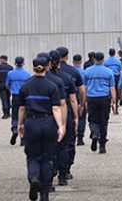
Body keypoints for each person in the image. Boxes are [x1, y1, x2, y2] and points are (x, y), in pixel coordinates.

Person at [18, 56, 65, 201]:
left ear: (33, 68)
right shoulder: (52, 86)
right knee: (47, 158)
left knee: (32, 157)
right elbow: (56, 108)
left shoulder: (26, 86)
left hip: (32, 123)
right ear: (48, 66)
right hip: (48, 122)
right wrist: (61, 126)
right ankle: (45, 192)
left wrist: (20, 124)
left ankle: (33, 178)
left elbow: (21, 108)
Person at [48, 50, 78, 186]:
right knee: (64, 145)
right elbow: (72, 100)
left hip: (47, 114)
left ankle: (50, 171)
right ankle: (63, 174)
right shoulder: (66, 77)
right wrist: (76, 116)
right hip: (64, 113)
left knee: (49, 146)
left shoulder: (45, 79)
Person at [83, 51, 117, 154]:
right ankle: (102, 145)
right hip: (104, 98)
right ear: (103, 59)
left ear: (94, 59)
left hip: (92, 98)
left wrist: (84, 101)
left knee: (93, 119)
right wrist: (114, 102)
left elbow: (84, 88)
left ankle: (94, 133)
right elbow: (112, 88)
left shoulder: (87, 71)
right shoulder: (108, 71)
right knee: (104, 121)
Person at [7, 57, 32, 146]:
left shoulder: (10, 74)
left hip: (15, 95)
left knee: (14, 115)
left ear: (14, 63)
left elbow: (7, 85)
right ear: (24, 63)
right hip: (25, 96)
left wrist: (12, 89)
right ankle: (23, 137)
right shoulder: (27, 74)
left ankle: (14, 129)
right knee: (24, 116)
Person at [72, 55, 87, 146]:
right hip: (80, 95)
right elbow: (84, 88)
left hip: (71, 95)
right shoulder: (84, 72)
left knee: (72, 116)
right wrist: (83, 102)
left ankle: (73, 134)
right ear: (81, 61)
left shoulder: (70, 72)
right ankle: (80, 137)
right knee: (82, 116)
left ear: (73, 61)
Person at [0, 55, 13, 120]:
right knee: (7, 98)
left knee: (3, 99)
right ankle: (8, 112)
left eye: (0, 59)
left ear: (3, 59)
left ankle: (5, 113)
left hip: (1, 84)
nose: (0, 61)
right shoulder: (10, 67)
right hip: (8, 85)